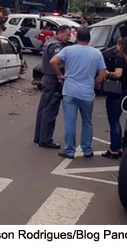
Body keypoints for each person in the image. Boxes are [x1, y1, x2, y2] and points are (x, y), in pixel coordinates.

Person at [49, 27, 107, 159]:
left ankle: (69, 150)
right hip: (87, 92)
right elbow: (102, 73)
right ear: (89, 39)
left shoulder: (68, 50)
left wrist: (59, 75)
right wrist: (95, 84)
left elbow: (53, 61)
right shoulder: (96, 53)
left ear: (77, 38)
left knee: (70, 122)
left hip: (70, 91)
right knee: (87, 121)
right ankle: (87, 149)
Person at [34, 25, 72, 149]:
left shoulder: (50, 42)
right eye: (67, 34)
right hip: (52, 80)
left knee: (43, 109)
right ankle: (45, 139)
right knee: (50, 110)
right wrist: (60, 74)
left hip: (47, 78)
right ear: (60, 33)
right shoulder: (56, 46)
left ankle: (39, 136)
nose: (69, 37)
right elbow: (57, 63)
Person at [102, 37, 127, 159]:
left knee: (114, 121)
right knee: (117, 120)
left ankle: (114, 149)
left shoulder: (119, 58)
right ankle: (118, 146)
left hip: (116, 92)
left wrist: (107, 73)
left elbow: (118, 74)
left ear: (121, 45)